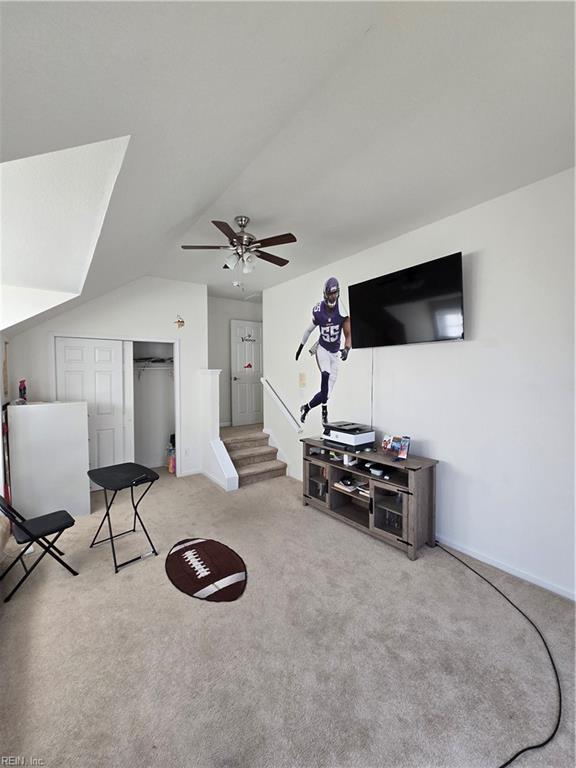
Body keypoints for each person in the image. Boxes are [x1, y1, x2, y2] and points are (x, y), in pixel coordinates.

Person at [295, 277, 351, 424]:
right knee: (325, 374)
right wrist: (300, 347)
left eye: (335, 293)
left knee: (325, 394)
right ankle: (324, 411)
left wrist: (346, 348)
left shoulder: (342, 311)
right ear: (325, 293)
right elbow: (308, 330)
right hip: (322, 348)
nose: (333, 296)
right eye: (330, 293)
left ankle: (306, 408)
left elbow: (348, 334)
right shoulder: (319, 310)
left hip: (334, 354)